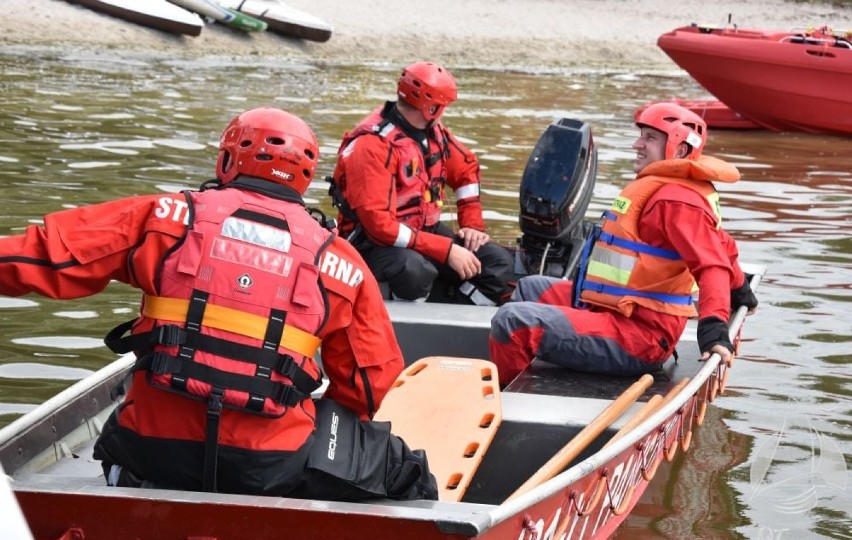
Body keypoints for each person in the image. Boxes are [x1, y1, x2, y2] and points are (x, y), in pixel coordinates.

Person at [0, 107, 438, 501]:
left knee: (126, 416)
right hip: (271, 467)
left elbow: (43, 257)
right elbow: (369, 387)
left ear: (227, 160)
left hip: (153, 451)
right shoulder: (339, 259)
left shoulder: (166, 218)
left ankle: (124, 484)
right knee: (408, 470)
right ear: (305, 177)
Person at [489, 102, 758, 385]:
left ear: (679, 150)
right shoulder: (668, 189)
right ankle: (530, 379)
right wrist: (740, 290)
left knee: (512, 321)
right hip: (618, 309)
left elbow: (712, 265)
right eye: (641, 135)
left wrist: (714, 330)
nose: (637, 144)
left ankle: (504, 402)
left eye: (650, 138)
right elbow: (722, 245)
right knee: (530, 286)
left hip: (641, 336)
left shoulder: (676, 201)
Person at [329, 61, 514, 306]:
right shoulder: (371, 146)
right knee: (414, 271)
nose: (444, 113)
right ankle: (406, 320)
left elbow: (466, 170)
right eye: (443, 107)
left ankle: (453, 315)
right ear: (431, 108)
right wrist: (445, 250)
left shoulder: (434, 133)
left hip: (423, 229)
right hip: (372, 242)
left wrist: (472, 225)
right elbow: (379, 226)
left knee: (497, 264)